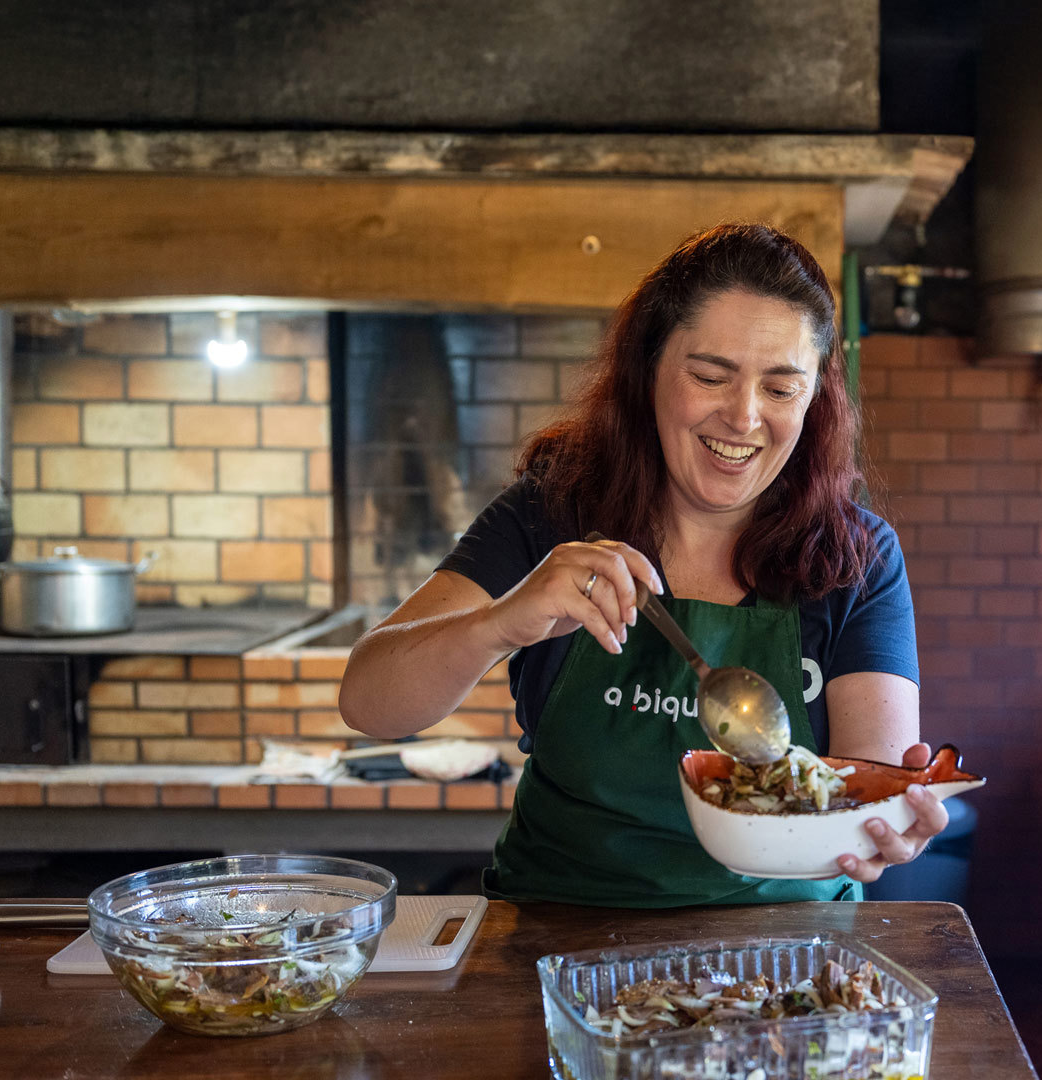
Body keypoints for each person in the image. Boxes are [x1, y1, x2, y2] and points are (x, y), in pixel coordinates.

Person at [339, 223, 945, 906]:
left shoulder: (855, 556)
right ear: (647, 370)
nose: (744, 416)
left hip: (782, 963)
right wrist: (500, 625)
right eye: (710, 376)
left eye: (781, 388)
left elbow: (871, 787)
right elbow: (368, 702)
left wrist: (885, 826)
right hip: (556, 949)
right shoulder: (551, 512)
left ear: (814, 398)